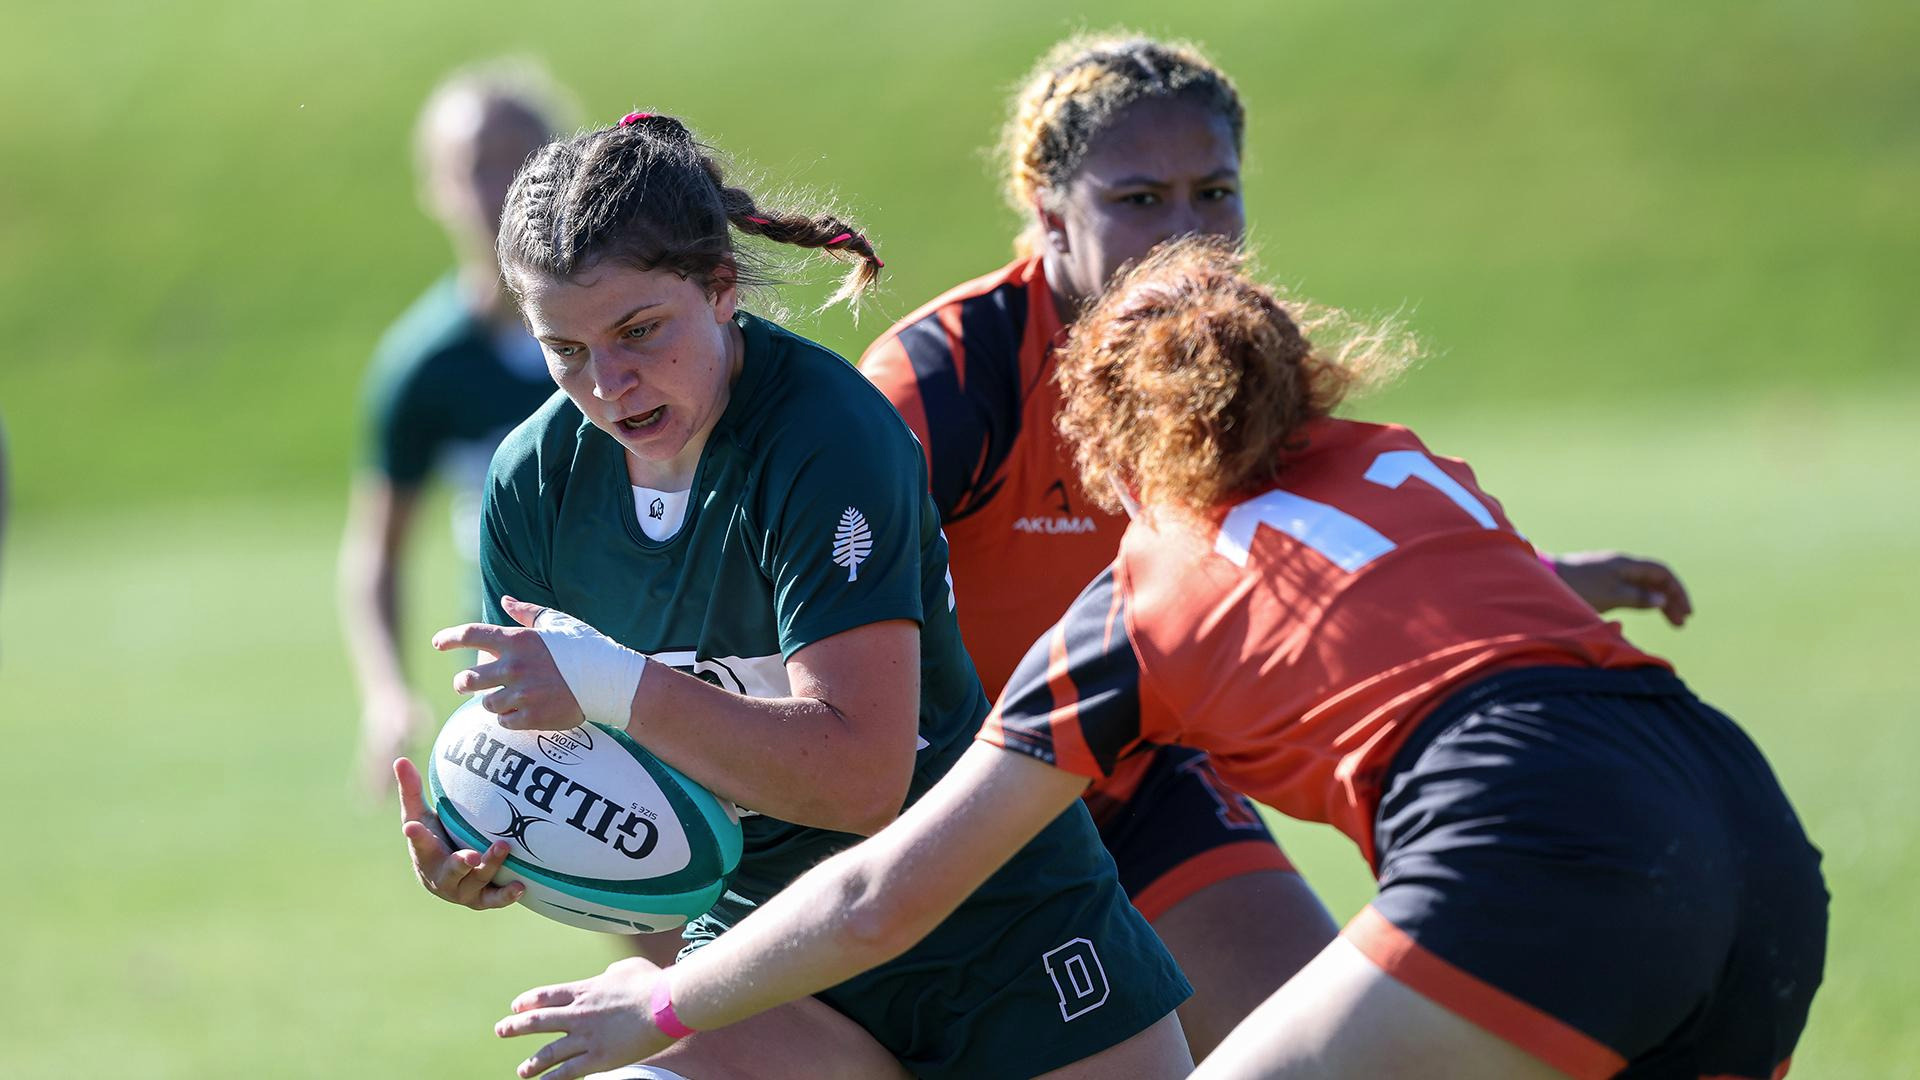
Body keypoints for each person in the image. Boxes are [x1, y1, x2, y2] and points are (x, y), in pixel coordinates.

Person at [492, 239, 1826, 1080]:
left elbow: (883, 898)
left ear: (1111, 455)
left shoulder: (1138, 599)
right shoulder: (1396, 458)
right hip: (1749, 827)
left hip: (1533, 838)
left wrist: (664, 1011)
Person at [858, 31, 1691, 1058]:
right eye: (1138, 199)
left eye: (1215, 192)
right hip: (942, 802)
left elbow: (1309, 553)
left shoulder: (1229, 356)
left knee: (1331, 1051)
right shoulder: (945, 379)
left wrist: (1539, 581)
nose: (1186, 236)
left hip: (1135, 777)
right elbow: (809, 610)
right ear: (1044, 206)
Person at [394, 111, 1192, 1080]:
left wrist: (614, 684)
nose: (609, 382)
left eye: (640, 330)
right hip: (763, 955)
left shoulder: (825, 438)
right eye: (564, 350)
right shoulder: (531, 485)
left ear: (722, 288)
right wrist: (497, 840)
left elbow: (858, 781)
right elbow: (597, 776)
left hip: (992, 934)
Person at [339, 64, 572, 801]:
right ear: (436, 189)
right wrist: (387, 694)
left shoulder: (623, 333)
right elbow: (376, 551)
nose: (501, 184)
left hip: (661, 641)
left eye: (521, 156)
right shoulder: (426, 365)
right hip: (521, 666)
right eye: (476, 166)